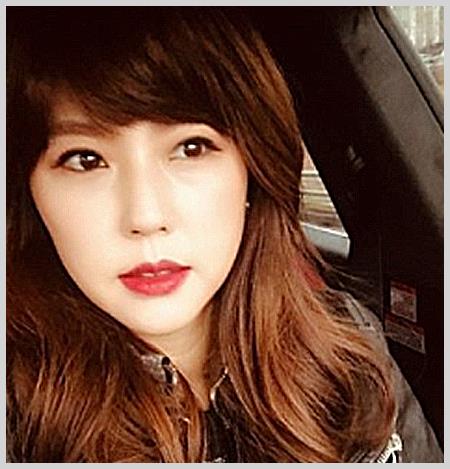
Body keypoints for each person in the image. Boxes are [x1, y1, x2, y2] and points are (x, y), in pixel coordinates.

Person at [6, 7, 442, 463]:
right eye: (85, 160)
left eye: (190, 148)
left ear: (252, 170)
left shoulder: (344, 348)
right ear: (30, 193)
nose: (146, 216)